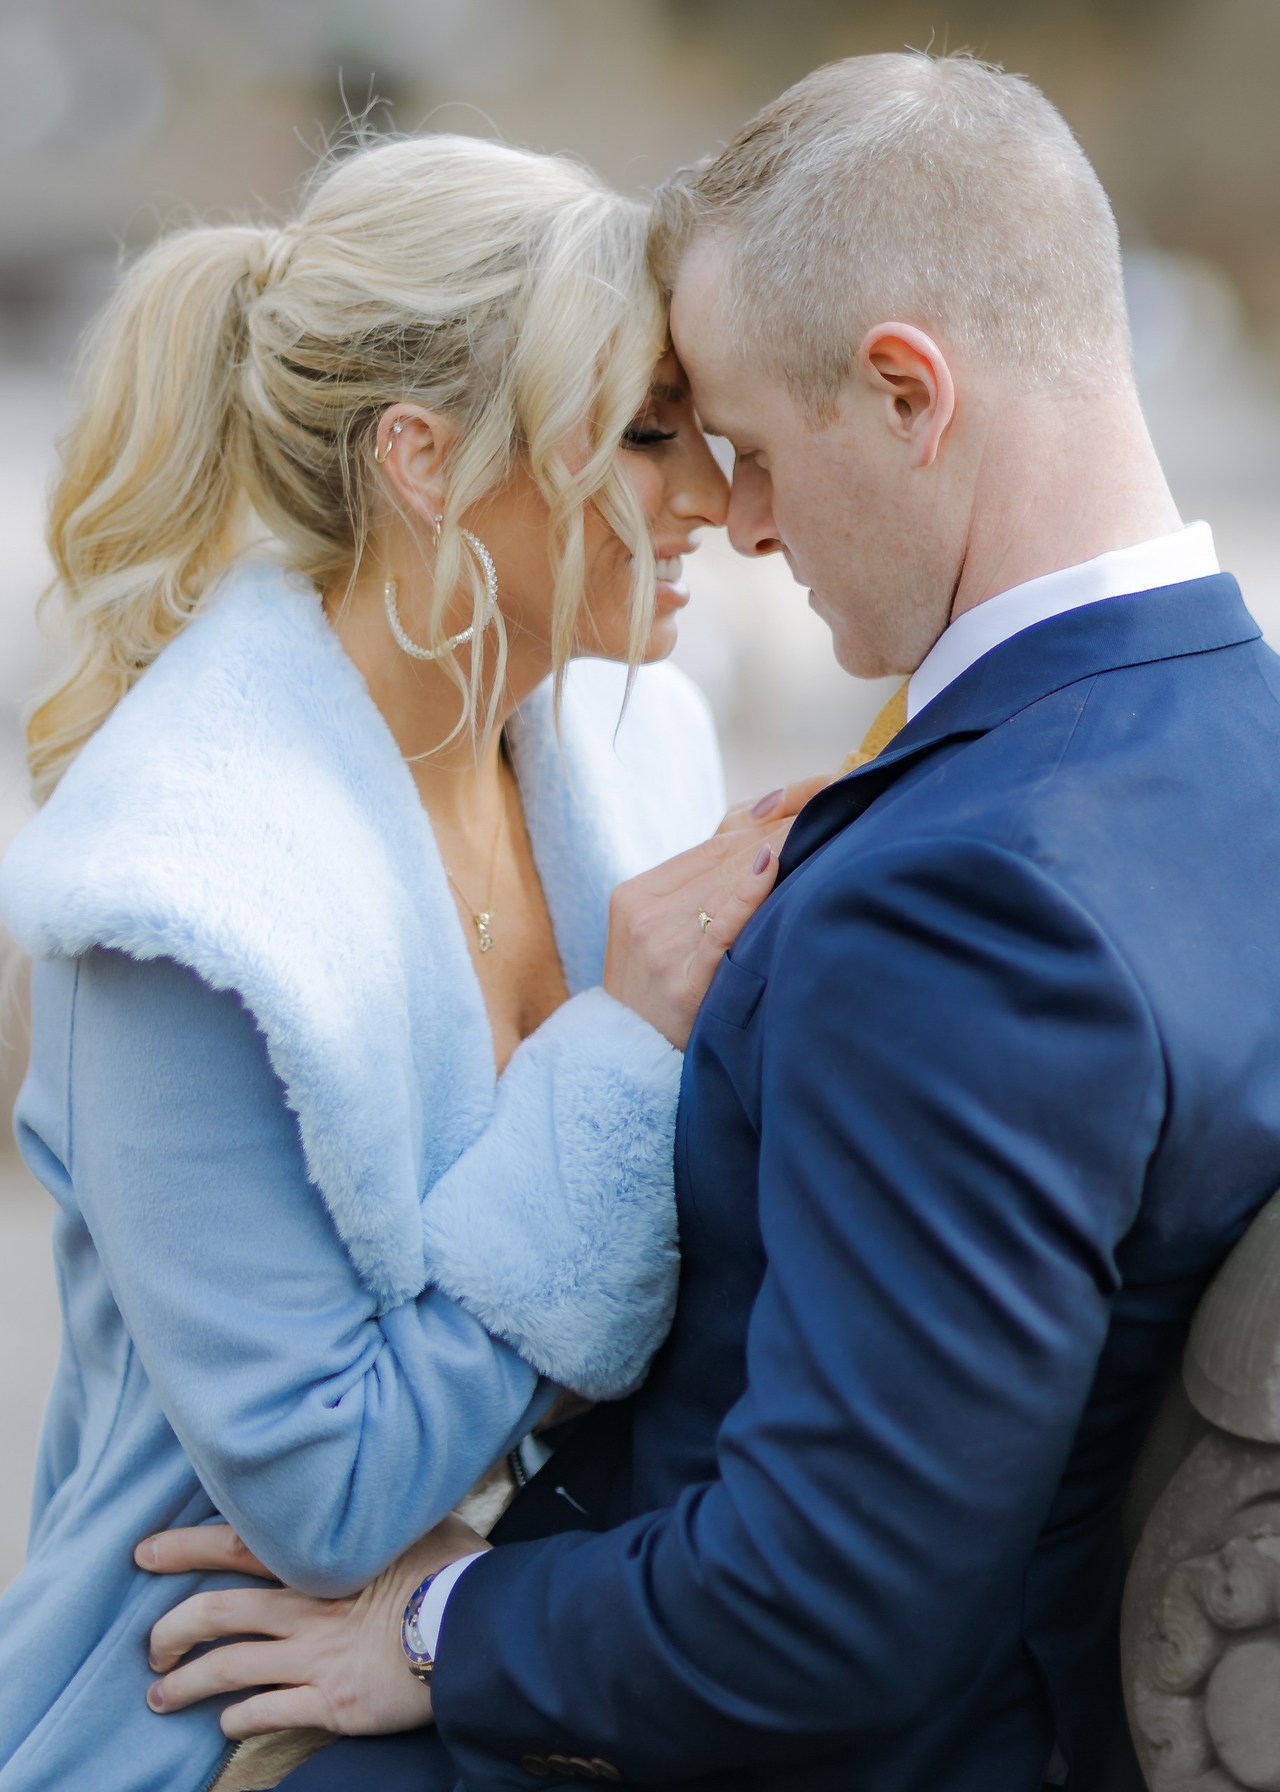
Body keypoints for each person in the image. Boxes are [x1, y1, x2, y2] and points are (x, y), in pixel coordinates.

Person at [136, 50, 1280, 1792]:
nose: (734, 521)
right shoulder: (1237, 732)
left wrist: (445, 1624)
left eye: (746, 447)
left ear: (907, 394)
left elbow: (826, 1608)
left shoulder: (967, 900)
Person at [0, 130, 802, 1792]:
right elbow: (330, 1493)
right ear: (423, 459)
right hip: (226, 1721)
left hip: (540, 1643)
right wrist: (623, 1045)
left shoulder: (643, 754)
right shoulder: (188, 894)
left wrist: (476, 1591)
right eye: (647, 434)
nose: (715, 501)